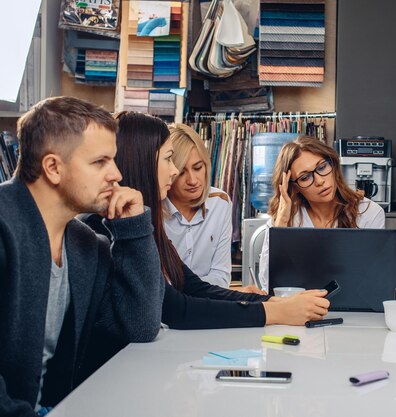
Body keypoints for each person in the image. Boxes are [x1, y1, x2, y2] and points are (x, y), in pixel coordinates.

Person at [83, 112, 330, 330]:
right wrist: (275, 312)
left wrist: (272, 302)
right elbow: (175, 308)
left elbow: (193, 286)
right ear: (143, 162)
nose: (174, 172)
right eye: (169, 160)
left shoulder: (143, 223)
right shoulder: (103, 229)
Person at [0, 97, 164, 417]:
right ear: (53, 167)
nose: (116, 174)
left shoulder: (86, 245)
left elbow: (140, 327)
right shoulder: (5, 228)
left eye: (113, 160)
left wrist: (134, 229)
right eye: (100, 161)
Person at [258, 135, 386, 290]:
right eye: (305, 177)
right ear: (294, 187)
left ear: (333, 165)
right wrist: (281, 225)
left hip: (354, 308)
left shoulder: (369, 213)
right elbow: (267, 284)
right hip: (299, 307)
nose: (319, 181)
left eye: (322, 167)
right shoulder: (284, 219)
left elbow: (372, 280)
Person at [164, 123, 261, 292]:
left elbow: (220, 276)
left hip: (207, 307)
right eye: (181, 172)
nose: (193, 180)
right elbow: (159, 285)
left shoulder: (220, 203)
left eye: (197, 167)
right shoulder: (151, 210)